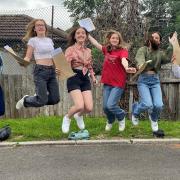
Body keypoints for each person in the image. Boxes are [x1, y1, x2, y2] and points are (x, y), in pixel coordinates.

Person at [88, 30, 136, 132]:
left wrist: (127, 68)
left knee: (111, 105)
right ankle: (110, 120)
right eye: (113, 38)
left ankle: (121, 116)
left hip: (118, 83)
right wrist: (87, 35)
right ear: (109, 39)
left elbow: (124, 60)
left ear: (119, 40)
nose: (115, 40)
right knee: (105, 107)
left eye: (117, 38)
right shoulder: (107, 50)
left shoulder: (123, 50)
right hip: (107, 83)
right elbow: (96, 44)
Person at [131, 31, 176, 132]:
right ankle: (135, 112)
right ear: (149, 39)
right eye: (153, 37)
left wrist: (171, 45)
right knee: (147, 104)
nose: (154, 39)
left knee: (159, 105)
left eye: (157, 38)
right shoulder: (143, 50)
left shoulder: (160, 53)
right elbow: (140, 59)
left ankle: (154, 119)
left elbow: (168, 58)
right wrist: (140, 65)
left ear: (159, 42)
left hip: (155, 80)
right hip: (143, 80)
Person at [16, 19, 60, 109]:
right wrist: (24, 62)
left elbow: (53, 56)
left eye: (42, 25)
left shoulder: (49, 40)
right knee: (41, 101)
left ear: (45, 28)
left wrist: (58, 67)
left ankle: (38, 98)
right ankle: (26, 100)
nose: (40, 27)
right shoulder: (33, 41)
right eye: (38, 25)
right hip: (40, 71)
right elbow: (28, 56)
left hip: (51, 71)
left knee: (55, 99)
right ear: (34, 29)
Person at [62, 27, 97, 134]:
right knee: (79, 105)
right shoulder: (70, 49)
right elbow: (65, 65)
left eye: (83, 33)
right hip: (73, 76)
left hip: (85, 77)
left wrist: (93, 77)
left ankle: (78, 116)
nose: (81, 35)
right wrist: (64, 69)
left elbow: (89, 65)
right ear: (74, 36)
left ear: (86, 36)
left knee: (89, 107)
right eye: (78, 33)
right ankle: (67, 118)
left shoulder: (88, 51)